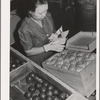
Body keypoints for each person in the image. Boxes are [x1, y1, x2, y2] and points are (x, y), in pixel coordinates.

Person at [18, 0, 66, 66]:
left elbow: (53, 32)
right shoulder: (24, 28)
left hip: (53, 53)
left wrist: (57, 38)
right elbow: (28, 51)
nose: (44, 15)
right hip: (38, 59)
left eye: (46, 10)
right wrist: (47, 48)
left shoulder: (48, 15)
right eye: (40, 13)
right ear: (30, 12)